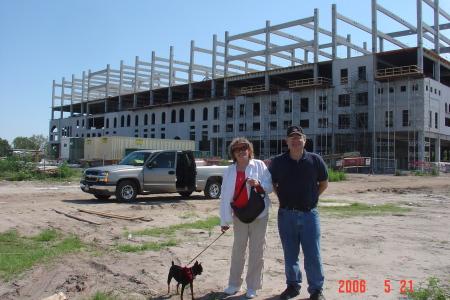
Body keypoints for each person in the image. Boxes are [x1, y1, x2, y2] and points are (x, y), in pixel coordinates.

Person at [268, 126, 329, 300]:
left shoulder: (315, 160)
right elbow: (272, 184)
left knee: (313, 253)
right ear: (287, 141)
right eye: (291, 138)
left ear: (304, 140)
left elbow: (323, 183)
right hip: (287, 215)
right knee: (290, 253)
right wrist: (285, 198)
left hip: (310, 214)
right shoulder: (278, 161)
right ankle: (292, 286)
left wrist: (310, 198)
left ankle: (316, 289)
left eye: (298, 137)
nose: (295, 140)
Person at [220, 137, 273, 299]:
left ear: (249, 150)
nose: (241, 151)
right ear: (233, 154)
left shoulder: (259, 166)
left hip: (259, 214)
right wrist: (224, 220)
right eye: (237, 149)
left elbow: (270, 187)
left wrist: (258, 184)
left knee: (256, 250)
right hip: (239, 216)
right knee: (238, 250)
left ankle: (253, 286)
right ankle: (234, 283)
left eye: (244, 148)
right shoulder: (229, 171)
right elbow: (225, 197)